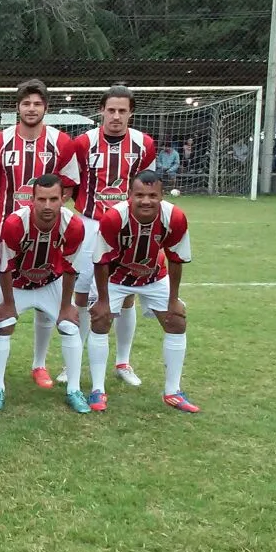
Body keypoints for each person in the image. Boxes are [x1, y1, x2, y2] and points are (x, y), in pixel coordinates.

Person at [0, 79, 79, 389]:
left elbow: (67, 186)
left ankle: (39, 364)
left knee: (45, 292)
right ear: (18, 107)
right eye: (26, 103)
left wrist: (50, 216)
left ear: (46, 108)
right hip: (7, 231)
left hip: (49, 231)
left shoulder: (61, 142)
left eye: (37, 104)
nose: (31, 108)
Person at [86, 170, 196, 413]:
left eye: (152, 195)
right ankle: (97, 389)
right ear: (129, 196)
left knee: (177, 321)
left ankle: (173, 392)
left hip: (153, 275)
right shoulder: (115, 218)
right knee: (100, 320)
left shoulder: (174, 217)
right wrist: (103, 300)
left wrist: (174, 299)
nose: (146, 201)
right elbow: (101, 260)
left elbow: (176, 258)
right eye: (140, 195)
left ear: (161, 196)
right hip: (115, 277)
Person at [71, 85, 156, 388]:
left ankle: (123, 362)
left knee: (126, 295)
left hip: (127, 227)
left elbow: (148, 188)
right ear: (101, 111)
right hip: (90, 224)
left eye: (122, 111)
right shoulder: (82, 143)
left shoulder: (144, 144)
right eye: (111, 110)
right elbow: (71, 186)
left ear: (131, 112)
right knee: (80, 293)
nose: (116, 116)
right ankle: (73, 362)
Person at [0, 174, 87, 413]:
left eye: (53, 199)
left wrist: (66, 306)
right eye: (41, 199)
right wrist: (9, 304)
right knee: (4, 324)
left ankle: (74, 390)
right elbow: (4, 267)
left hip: (50, 281)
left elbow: (70, 268)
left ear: (63, 198)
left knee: (70, 327)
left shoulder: (74, 225)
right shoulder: (15, 223)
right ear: (31, 199)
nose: (47, 205)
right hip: (15, 282)